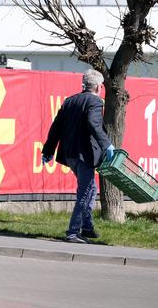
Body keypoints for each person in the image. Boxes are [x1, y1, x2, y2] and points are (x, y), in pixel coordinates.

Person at [42, 69, 115, 244]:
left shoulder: (70, 101)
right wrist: (107, 145)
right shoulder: (95, 101)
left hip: (70, 155)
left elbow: (56, 127)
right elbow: (94, 124)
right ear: (98, 87)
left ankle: (87, 228)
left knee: (90, 188)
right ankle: (73, 232)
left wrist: (48, 151)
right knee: (86, 191)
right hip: (84, 155)